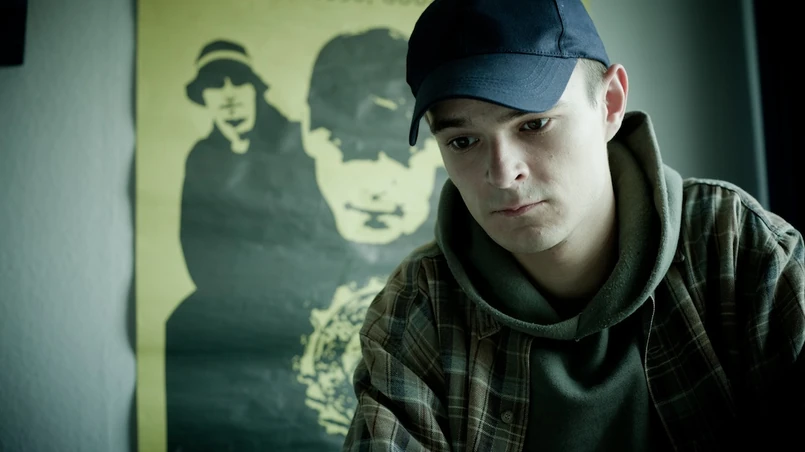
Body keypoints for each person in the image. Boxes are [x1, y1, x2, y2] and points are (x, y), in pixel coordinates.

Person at [343, 0, 805, 450]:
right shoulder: (419, 307)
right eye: (463, 141)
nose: (502, 173)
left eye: (534, 124)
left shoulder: (735, 246)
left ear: (610, 103)